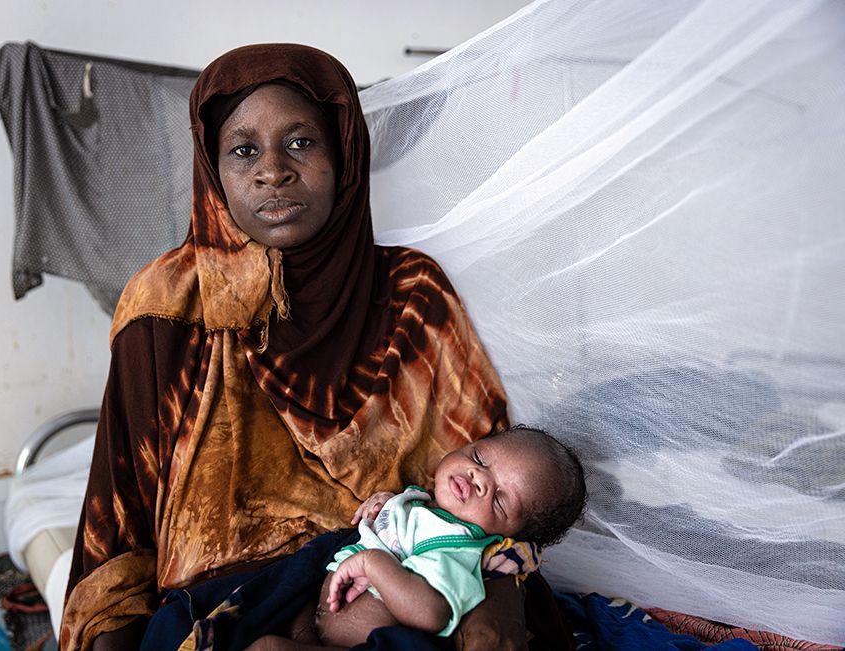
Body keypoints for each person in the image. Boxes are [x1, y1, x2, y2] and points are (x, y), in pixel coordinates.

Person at [61, 43, 573, 650]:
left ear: (344, 154)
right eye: (243, 150)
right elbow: (119, 528)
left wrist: (496, 610)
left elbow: (499, 492)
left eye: (301, 142)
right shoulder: (167, 306)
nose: (271, 170)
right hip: (224, 601)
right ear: (212, 168)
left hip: (396, 598)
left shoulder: (413, 294)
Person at [248, 426, 586, 650]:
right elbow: (400, 527)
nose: (479, 477)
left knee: (267, 647)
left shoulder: (459, 548)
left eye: (499, 499)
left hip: (359, 644)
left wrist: (373, 562)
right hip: (318, 620)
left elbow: (431, 613)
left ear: (509, 536)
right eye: (480, 458)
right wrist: (386, 504)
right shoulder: (424, 503)